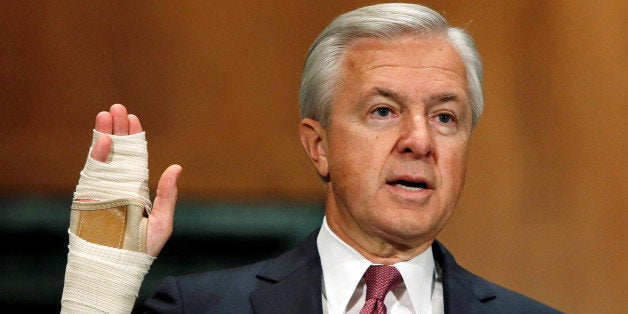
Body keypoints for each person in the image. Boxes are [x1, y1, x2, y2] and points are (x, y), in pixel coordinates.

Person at [61, 3, 561, 313]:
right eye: (384, 111)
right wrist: (98, 292)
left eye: (445, 117)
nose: (419, 141)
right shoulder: (203, 309)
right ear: (318, 146)